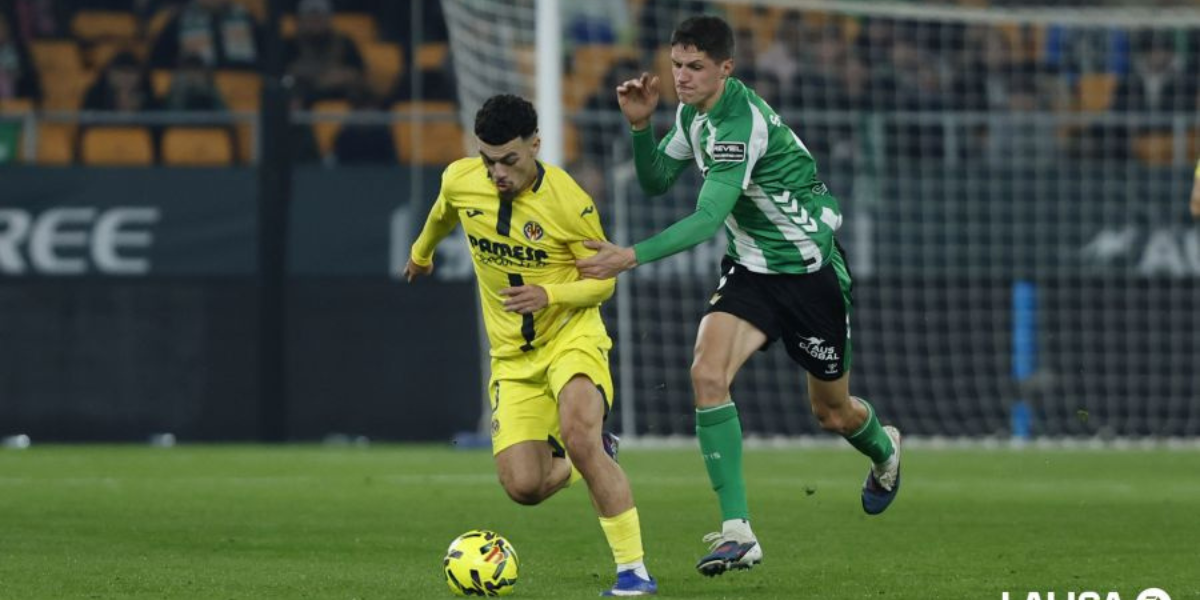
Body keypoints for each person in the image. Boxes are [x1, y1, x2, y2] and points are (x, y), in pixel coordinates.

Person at [576, 15, 902, 577]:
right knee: (706, 374)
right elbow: (656, 182)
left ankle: (885, 450)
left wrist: (630, 255)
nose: (682, 77)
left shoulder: (737, 126)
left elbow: (706, 220)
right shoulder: (690, 114)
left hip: (809, 275)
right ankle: (738, 532)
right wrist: (639, 129)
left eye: (695, 67)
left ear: (726, 68)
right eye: (676, 65)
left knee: (832, 413)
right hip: (751, 270)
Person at [404, 94, 657, 597]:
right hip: (512, 358)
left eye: (510, 160)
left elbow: (603, 284)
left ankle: (634, 573)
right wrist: (421, 255)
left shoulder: (570, 201)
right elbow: (440, 213)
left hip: (571, 335)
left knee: (578, 435)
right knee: (524, 487)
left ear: (536, 146)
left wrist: (550, 293)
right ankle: (594, 456)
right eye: (488, 160)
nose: (497, 172)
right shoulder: (460, 179)